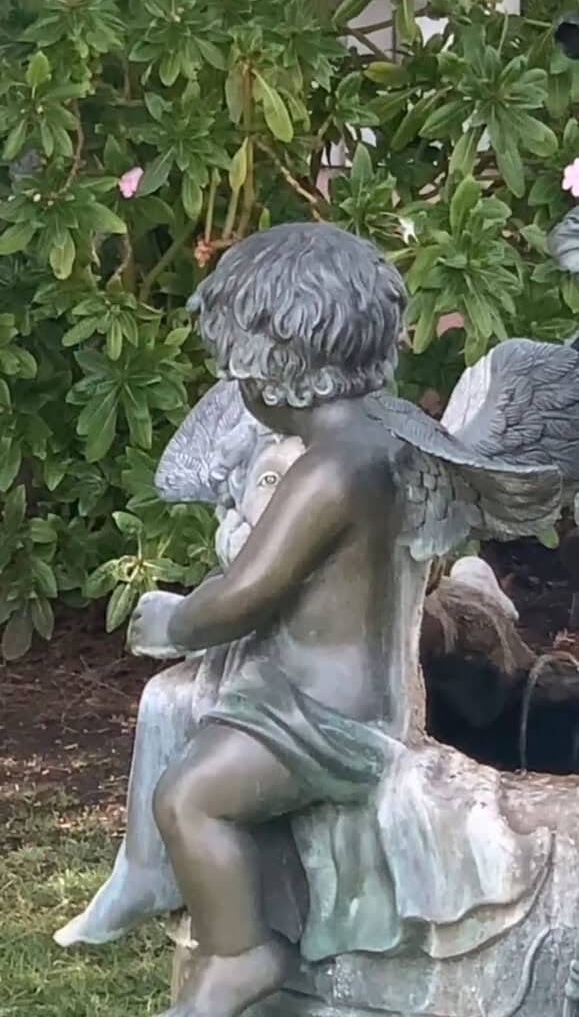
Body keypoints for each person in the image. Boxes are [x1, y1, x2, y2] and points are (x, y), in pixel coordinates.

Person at [127, 223, 408, 1017]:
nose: (236, 392)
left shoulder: (328, 470)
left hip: (323, 717)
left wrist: (175, 622)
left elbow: (246, 592)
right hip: (311, 695)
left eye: (237, 372)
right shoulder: (376, 440)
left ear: (279, 371)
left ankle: (241, 953)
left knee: (190, 798)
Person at [54, 423, 304, 948]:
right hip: (255, 668)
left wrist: (179, 621)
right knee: (164, 697)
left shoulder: (329, 497)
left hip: (303, 692)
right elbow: (234, 598)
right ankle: (144, 870)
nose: (276, 493)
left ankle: (226, 932)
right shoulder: (250, 536)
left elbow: (249, 602)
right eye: (265, 481)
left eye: (287, 480)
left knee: (186, 764)